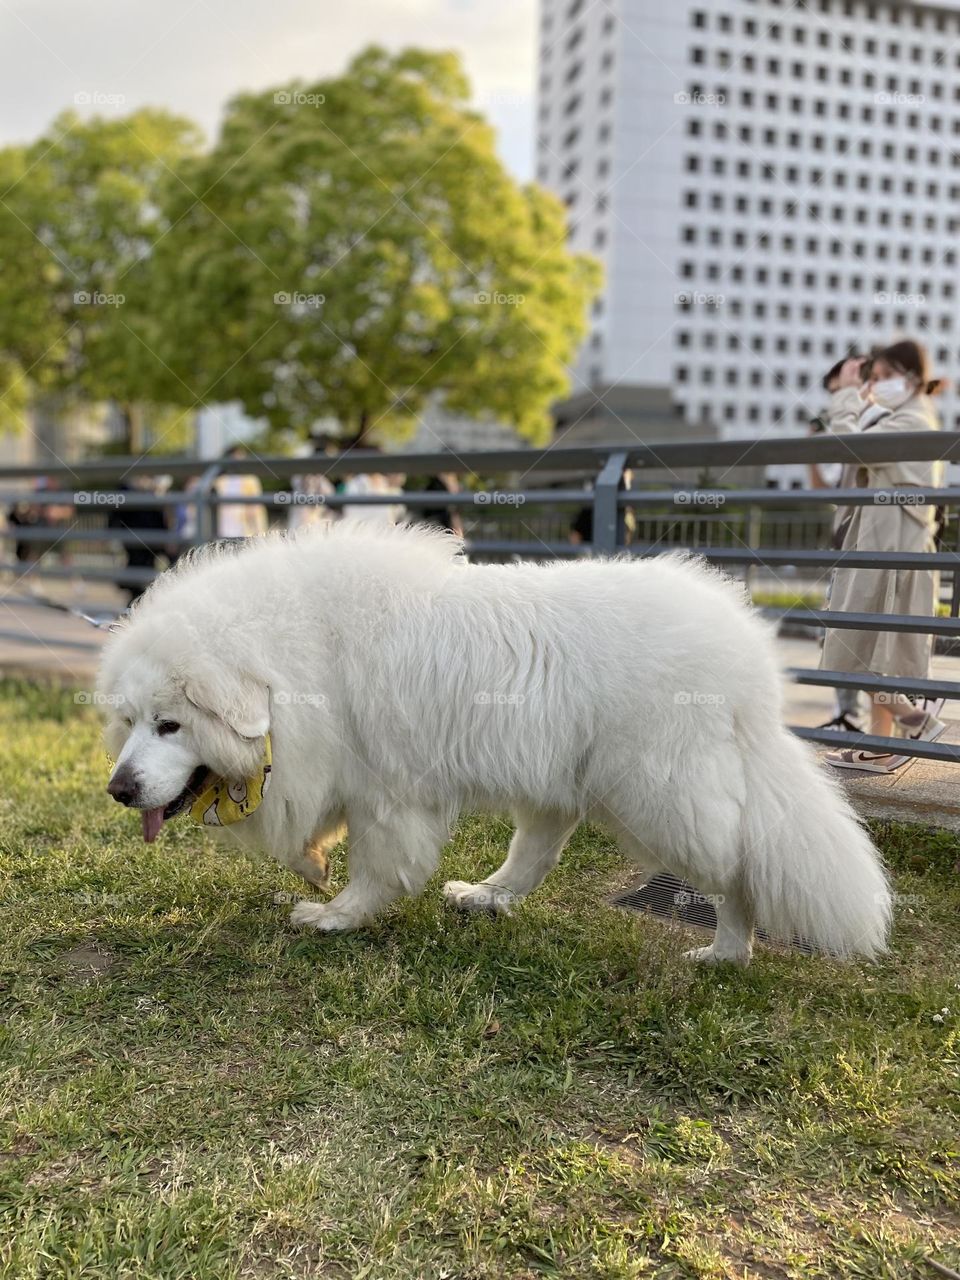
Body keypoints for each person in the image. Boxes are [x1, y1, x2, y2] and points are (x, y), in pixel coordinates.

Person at [818, 339, 946, 772]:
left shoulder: (909, 420)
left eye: (886, 376)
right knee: (874, 650)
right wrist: (858, 399)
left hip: (889, 549)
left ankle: (916, 721)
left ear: (912, 377)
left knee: (855, 651)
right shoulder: (904, 416)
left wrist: (846, 396)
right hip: (885, 546)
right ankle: (880, 748)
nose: (878, 385)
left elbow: (845, 448)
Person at [216, 445, 268, 539]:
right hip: (224, 527)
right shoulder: (220, 480)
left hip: (243, 528)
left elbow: (255, 507)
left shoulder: (250, 479)